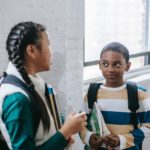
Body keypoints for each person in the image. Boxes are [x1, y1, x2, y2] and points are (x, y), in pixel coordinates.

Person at [0, 21, 87, 150]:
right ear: (32, 50)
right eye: (48, 45)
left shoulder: (34, 81)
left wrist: (63, 131)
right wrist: (65, 132)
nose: (51, 52)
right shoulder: (17, 100)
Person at [80, 42, 150, 150]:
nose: (110, 69)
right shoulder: (91, 93)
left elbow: (148, 126)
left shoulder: (139, 94)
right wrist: (89, 138)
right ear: (100, 65)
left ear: (127, 66)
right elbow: (81, 124)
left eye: (117, 64)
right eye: (105, 64)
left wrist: (122, 140)